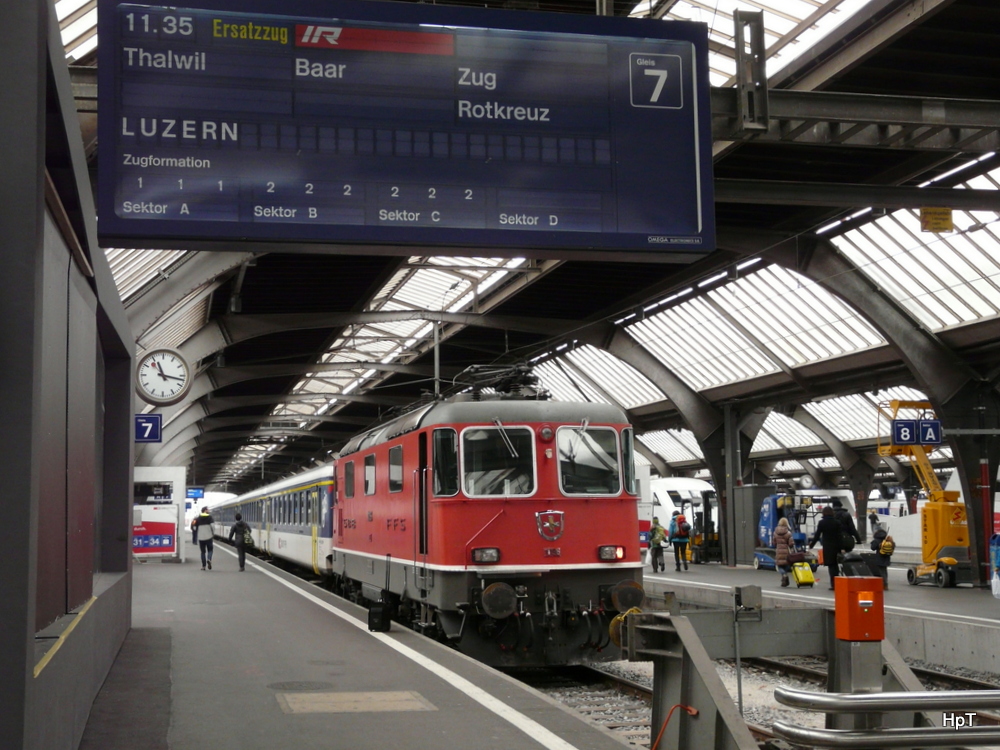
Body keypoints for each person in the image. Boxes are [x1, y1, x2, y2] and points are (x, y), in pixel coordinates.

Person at [809, 506, 842, 589]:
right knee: (835, 565)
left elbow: (817, 535)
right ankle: (838, 582)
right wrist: (842, 547)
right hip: (836, 546)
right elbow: (840, 536)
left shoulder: (822, 523)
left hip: (828, 547)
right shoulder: (837, 522)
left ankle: (833, 584)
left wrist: (811, 545)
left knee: (831, 566)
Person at [772, 517, 793, 587]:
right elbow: (791, 544)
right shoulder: (788, 533)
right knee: (786, 565)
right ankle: (785, 576)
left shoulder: (775, 532)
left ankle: (784, 575)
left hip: (778, 551)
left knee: (779, 566)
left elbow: (774, 543)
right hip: (786, 552)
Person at [193, 506, 215, 571]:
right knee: (210, 550)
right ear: (205, 510)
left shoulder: (198, 518)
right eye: (207, 510)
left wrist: (197, 533)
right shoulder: (210, 517)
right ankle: (209, 559)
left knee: (203, 552)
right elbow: (213, 526)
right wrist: (213, 533)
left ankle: (203, 566)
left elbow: (194, 527)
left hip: (201, 538)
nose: (208, 511)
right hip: (209, 537)